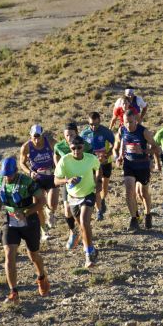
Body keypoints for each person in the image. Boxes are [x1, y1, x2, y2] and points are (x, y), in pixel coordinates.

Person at [0, 157, 49, 304]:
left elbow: (41, 201)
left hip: (29, 221)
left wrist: (25, 213)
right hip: (10, 221)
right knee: (9, 254)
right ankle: (13, 291)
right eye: (5, 174)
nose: (8, 177)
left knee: (33, 256)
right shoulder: (0, 181)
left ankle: (41, 277)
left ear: (16, 172)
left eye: (10, 174)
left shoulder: (27, 183)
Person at [54, 136, 100, 268]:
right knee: (82, 227)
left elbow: (98, 168)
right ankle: (92, 250)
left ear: (83, 147)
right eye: (73, 148)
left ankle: (88, 255)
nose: (76, 151)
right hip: (73, 197)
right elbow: (56, 181)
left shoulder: (90, 158)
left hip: (88, 193)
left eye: (79, 148)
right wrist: (67, 181)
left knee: (85, 222)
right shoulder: (65, 160)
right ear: (70, 148)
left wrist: (99, 181)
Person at [113, 110, 160, 231]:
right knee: (129, 191)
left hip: (142, 166)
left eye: (131, 122)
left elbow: (156, 149)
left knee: (143, 193)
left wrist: (144, 152)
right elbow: (121, 142)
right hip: (129, 164)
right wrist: (119, 156)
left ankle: (148, 214)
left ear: (136, 120)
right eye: (126, 122)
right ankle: (134, 218)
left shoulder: (144, 132)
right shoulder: (122, 130)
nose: (128, 125)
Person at [19, 124, 58, 240]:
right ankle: (44, 231)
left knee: (53, 203)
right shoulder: (26, 147)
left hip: (51, 176)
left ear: (42, 135)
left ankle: (50, 211)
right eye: (34, 137)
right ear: (30, 136)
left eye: (38, 137)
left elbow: (59, 153)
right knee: (38, 206)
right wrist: (30, 172)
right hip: (37, 179)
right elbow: (22, 163)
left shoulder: (50, 142)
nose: (36, 140)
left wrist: (58, 167)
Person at [54, 122, 88, 249]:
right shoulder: (59, 146)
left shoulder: (84, 144)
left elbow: (92, 158)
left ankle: (84, 233)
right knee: (67, 209)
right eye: (67, 135)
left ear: (77, 133)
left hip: (84, 182)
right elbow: (56, 159)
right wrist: (62, 176)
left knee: (81, 212)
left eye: (72, 135)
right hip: (68, 183)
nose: (69, 138)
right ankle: (73, 232)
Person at [81, 112, 115, 221]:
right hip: (91, 165)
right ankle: (98, 211)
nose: (93, 127)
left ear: (99, 121)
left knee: (104, 188)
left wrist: (107, 154)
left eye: (96, 124)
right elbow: (79, 146)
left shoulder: (105, 131)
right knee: (96, 187)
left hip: (105, 163)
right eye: (91, 124)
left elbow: (116, 144)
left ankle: (103, 199)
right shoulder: (84, 133)